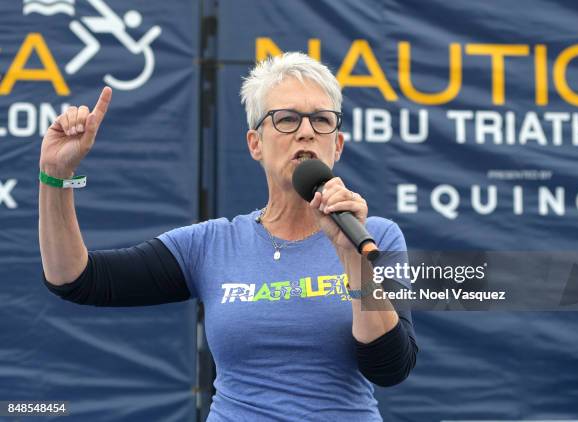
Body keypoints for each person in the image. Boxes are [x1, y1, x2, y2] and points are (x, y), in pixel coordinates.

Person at [40, 52, 418, 421]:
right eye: (286, 119)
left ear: (337, 144)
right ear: (255, 143)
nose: (306, 131)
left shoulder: (376, 236)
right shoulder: (210, 245)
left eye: (321, 120)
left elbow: (390, 368)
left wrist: (352, 257)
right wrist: (55, 175)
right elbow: (76, 278)